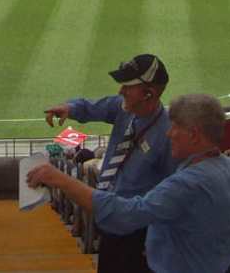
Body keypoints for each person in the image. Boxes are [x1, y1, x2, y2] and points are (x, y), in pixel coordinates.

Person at [28, 93, 230, 273]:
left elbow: (128, 214)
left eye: (176, 127)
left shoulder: (188, 184)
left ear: (194, 135)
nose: (169, 133)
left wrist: (61, 180)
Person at [41, 54, 175, 273]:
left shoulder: (169, 135)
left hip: (138, 235)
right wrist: (69, 108)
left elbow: (171, 197)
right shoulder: (123, 110)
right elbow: (94, 106)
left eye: (128, 86)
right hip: (110, 226)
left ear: (149, 93)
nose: (121, 91)